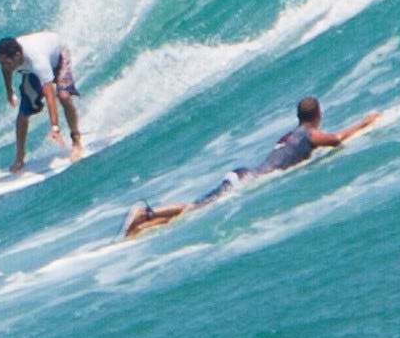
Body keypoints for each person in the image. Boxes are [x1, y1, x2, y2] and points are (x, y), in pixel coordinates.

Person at [123, 94, 384, 238]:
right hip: (250, 178)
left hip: (244, 173)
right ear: (317, 115)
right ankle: (145, 213)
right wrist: (365, 121)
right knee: (195, 207)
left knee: (195, 210)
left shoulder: (289, 135)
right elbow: (336, 138)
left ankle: (142, 227)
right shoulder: (307, 134)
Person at [0, 31, 83, 171]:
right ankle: (19, 158)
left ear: (17, 56)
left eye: (7, 62)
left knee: (64, 96)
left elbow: (50, 95)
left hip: (59, 55)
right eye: (1, 62)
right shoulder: (8, 57)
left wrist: (54, 127)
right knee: (23, 113)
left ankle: (76, 141)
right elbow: (5, 69)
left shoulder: (38, 61)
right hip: (32, 68)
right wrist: (9, 92)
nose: (4, 66)